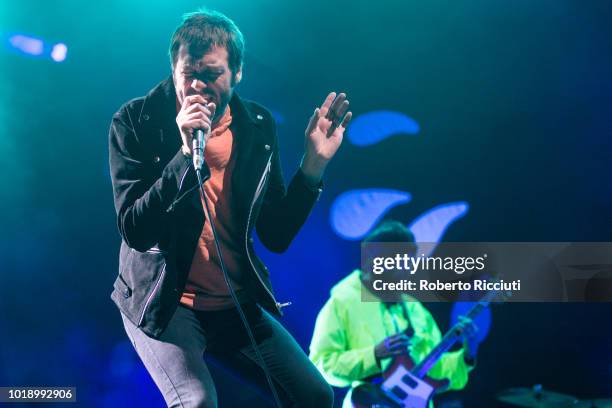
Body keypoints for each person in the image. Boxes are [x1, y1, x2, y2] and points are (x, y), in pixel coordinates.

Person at [108, 8, 351, 407]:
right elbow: (135, 229)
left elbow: (275, 234)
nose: (198, 86)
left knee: (315, 396)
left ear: (237, 73)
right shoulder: (136, 121)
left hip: (231, 303)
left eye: (212, 73)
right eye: (188, 73)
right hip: (165, 302)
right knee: (197, 402)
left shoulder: (256, 125)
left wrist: (313, 167)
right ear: (173, 68)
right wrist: (185, 156)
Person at [309, 221, 479, 407]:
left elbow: (436, 370)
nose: (406, 271)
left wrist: (468, 353)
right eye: (398, 262)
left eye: (409, 262)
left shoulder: (416, 310)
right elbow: (320, 365)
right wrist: (373, 355)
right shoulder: (341, 303)